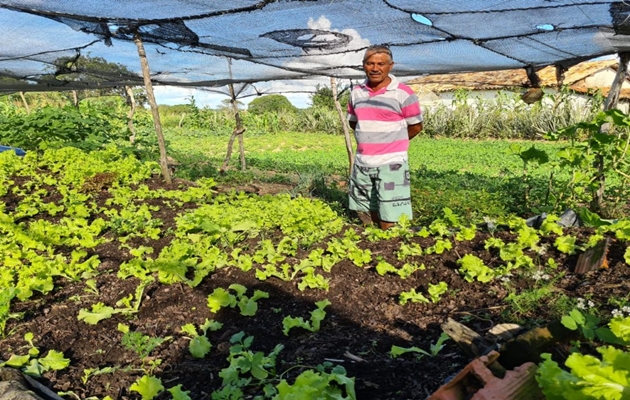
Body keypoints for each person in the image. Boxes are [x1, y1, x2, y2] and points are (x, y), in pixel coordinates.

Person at [347, 44, 423, 230]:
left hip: (392, 162)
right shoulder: (356, 93)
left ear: (391, 65)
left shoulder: (404, 93)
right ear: (363, 65)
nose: (375, 68)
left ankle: (391, 244)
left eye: (381, 63)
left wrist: (392, 143)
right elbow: (354, 122)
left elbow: (416, 126)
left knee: (390, 213)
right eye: (370, 63)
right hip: (363, 161)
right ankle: (376, 245)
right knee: (370, 208)